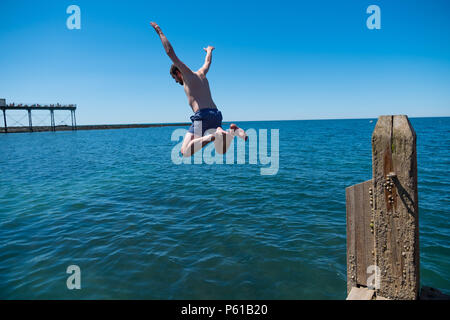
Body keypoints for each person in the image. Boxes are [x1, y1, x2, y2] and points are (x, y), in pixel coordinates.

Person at [150, 22, 247, 157]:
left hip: (202, 115)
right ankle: (232, 131)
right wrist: (209, 51)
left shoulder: (187, 75)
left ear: (178, 73)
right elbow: (208, 62)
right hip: (216, 114)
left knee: (185, 151)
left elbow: (170, 53)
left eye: (175, 78)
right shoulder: (201, 73)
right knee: (222, 150)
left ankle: (213, 135)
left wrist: (160, 32)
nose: (176, 81)